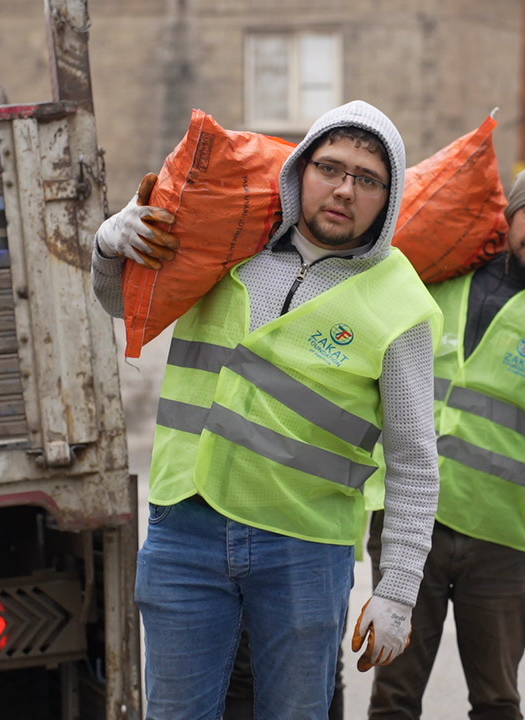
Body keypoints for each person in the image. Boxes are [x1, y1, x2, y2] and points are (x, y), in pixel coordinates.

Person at [90, 100, 441, 720]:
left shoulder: (401, 302)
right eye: (330, 168)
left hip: (305, 547)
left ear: (387, 198)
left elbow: (415, 460)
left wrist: (399, 590)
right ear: (301, 169)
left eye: (367, 179)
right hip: (185, 529)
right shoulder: (227, 246)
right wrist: (107, 245)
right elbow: (122, 302)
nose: (343, 189)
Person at [367, 159, 525, 719]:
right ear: (510, 215)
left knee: (497, 702)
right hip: (409, 524)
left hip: (500, 540)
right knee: (393, 698)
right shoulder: (440, 282)